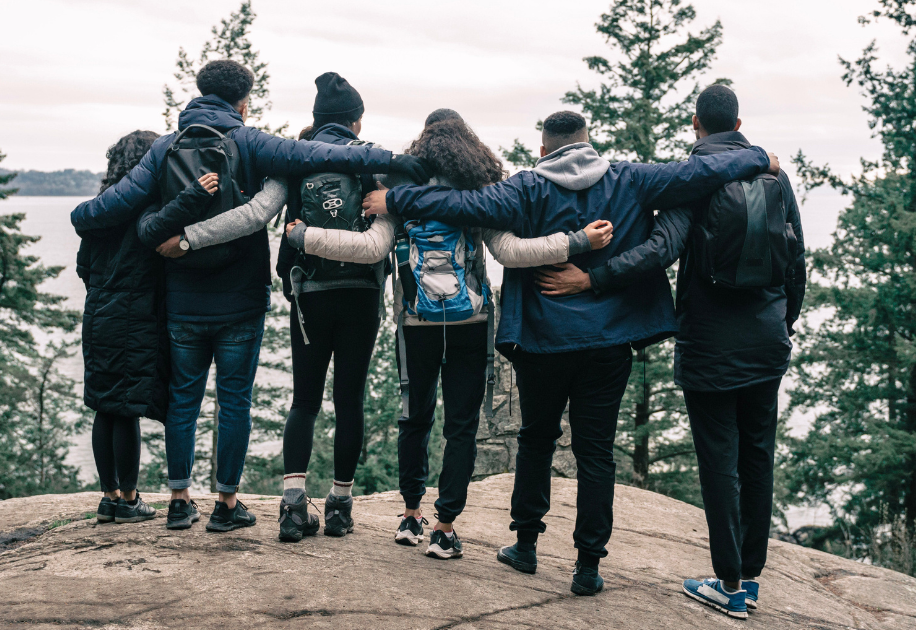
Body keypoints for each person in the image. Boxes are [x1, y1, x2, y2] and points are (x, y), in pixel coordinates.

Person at [363, 110, 779, 596]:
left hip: (542, 341)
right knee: (596, 453)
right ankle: (587, 566)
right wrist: (756, 157)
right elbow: (696, 172)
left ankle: (526, 546)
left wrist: (396, 196)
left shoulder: (525, 188)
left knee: (536, 439)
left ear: (543, 150)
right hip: (609, 341)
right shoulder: (631, 178)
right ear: (589, 143)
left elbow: (462, 203)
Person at [70, 61, 431, 533]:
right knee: (235, 400)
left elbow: (97, 213)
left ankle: (178, 502)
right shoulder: (251, 142)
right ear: (244, 101)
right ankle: (226, 505)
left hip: (182, 297)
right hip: (241, 298)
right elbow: (308, 155)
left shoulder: (163, 148)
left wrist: (103, 219)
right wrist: (386, 160)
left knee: (184, 400)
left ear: (201, 93)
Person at [281, 108, 613, 558]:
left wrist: (304, 237)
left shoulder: (400, 193)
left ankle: (411, 515)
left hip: (416, 323)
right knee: (460, 427)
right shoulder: (480, 194)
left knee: (414, 419)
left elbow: (370, 248)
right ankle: (445, 525)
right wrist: (577, 243)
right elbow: (512, 252)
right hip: (471, 323)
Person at [535, 85, 806, 618]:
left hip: (710, 346)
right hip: (767, 341)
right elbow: (795, 255)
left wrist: (592, 279)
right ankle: (749, 578)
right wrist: (784, 321)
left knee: (719, 463)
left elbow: (659, 250)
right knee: (757, 457)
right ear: (738, 122)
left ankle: (728, 584)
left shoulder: (697, 181)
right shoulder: (774, 175)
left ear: (695, 124)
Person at [75, 130, 166, 525]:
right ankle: (129, 499)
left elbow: (83, 266)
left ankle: (109, 496)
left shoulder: (101, 209)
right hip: (134, 316)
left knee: (104, 406)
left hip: (97, 313)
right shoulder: (147, 207)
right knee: (125, 408)